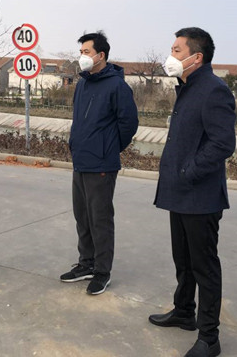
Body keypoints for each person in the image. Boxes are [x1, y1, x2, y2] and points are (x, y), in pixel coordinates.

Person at [148, 27, 236, 357]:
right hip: (180, 193)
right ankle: (184, 311)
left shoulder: (214, 90)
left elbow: (223, 143)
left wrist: (189, 171)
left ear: (196, 57)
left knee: (204, 267)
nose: (170, 56)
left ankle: (209, 338)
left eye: (177, 50)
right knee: (183, 261)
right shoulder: (187, 88)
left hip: (200, 196)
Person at [60, 31, 139, 295]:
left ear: (101, 55)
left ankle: (102, 271)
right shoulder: (83, 83)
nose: (81, 57)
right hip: (81, 161)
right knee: (82, 217)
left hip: (102, 164)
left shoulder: (117, 86)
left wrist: (108, 147)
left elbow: (129, 124)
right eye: (81, 52)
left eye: (86, 52)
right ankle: (86, 264)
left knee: (100, 219)